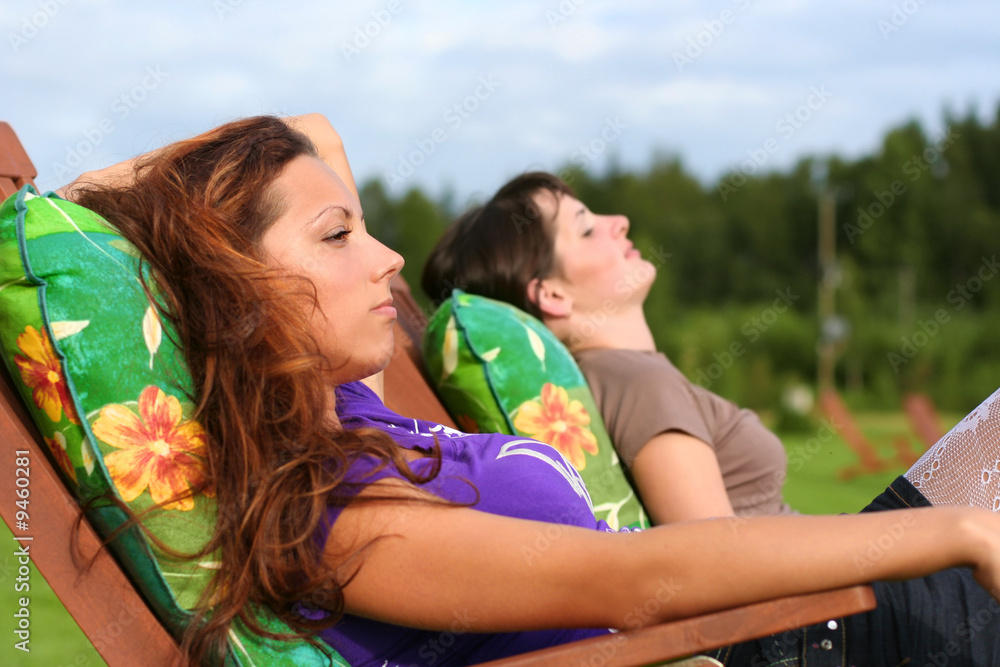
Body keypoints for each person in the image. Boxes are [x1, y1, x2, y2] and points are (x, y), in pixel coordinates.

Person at [60, 114, 1000, 667]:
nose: (389, 260)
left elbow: (306, 131)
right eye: (339, 236)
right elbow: (640, 582)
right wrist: (955, 532)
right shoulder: (336, 519)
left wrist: (130, 199)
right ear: (242, 289)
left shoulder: (356, 409)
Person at [421, 172, 794, 524]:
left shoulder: (618, 376)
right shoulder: (642, 384)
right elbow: (718, 551)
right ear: (552, 293)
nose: (619, 221)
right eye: (586, 229)